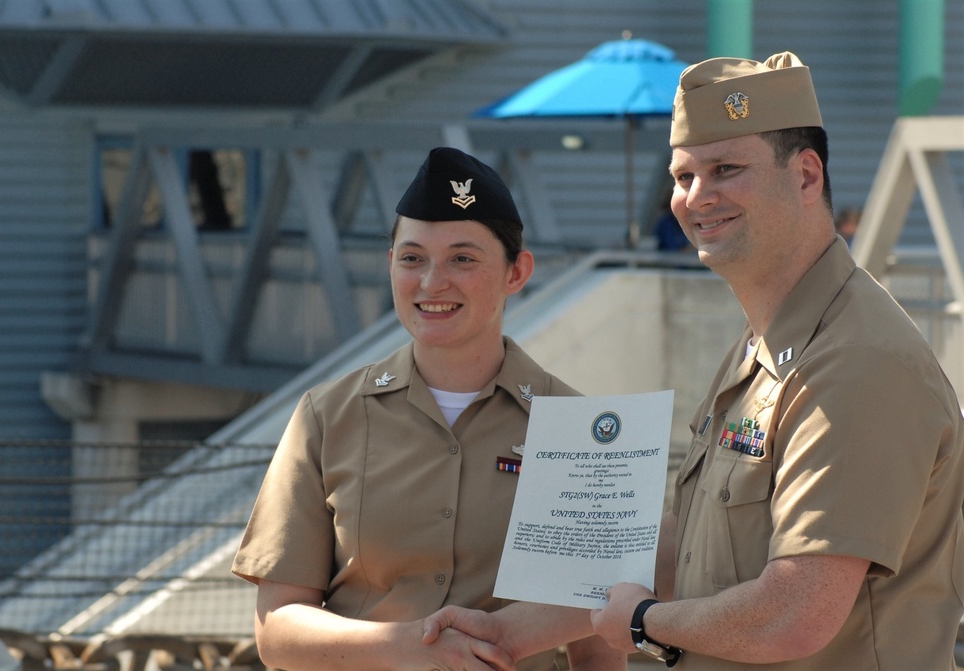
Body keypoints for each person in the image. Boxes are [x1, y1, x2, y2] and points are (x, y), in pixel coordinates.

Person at [421, 52, 964, 669]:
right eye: (682, 177)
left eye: (726, 168)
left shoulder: (857, 360)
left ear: (807, 177)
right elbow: (682, 558)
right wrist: (507, 636)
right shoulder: (766, 348)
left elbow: (795, 613)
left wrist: (646, 624)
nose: (697, 197)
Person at [230, 147, 625, 671]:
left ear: (516, 272)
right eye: (412, 258)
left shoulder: (577, 428)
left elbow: (596, 640)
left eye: (463, 258)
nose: (432, 282)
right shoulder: (327, 417)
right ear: (390, 265)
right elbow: (277, 628)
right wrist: (408, 646)